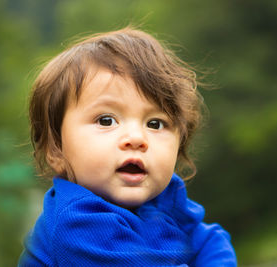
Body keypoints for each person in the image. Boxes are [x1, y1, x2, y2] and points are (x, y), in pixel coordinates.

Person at [18, 27, 237, 266]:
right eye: (106, 120)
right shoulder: (76, 221)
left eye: (155, 123)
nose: (136, 138)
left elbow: (209, 241)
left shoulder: (165, 199)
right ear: (56, 150)